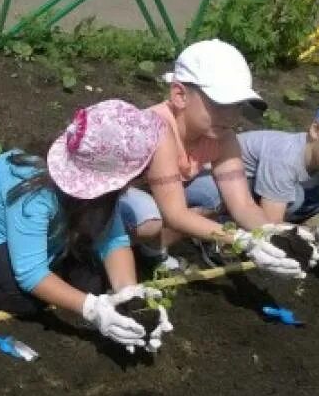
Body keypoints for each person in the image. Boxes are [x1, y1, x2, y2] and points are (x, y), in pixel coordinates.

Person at [0, 100, 170, 353]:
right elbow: (31, 274)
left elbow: (113, 240)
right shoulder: (33, 190)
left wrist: (129, 297)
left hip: (35, 236)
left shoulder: (102, 193)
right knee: (25, 299)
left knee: (90, 285)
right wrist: (93, 310)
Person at [117, 39, 308, 277]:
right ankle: (100, 251)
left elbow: (244, 205)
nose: (230, 116)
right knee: (149, 217)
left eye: (237, 105)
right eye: (220, 104)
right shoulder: (159, 127)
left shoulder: (223, 136)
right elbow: (175, 215)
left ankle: (151, 249)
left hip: (158, 194)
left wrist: (276, 236)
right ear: (179, 95)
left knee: (212, 196)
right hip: (111, 196)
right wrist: (241, 240)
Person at [181, 91, 319, 270]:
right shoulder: (285, 157)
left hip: (255, 199)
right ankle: (212, 231)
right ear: (316, 130)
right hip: (207, 181)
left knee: (300, 201)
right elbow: (271, 226)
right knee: (213, 197)